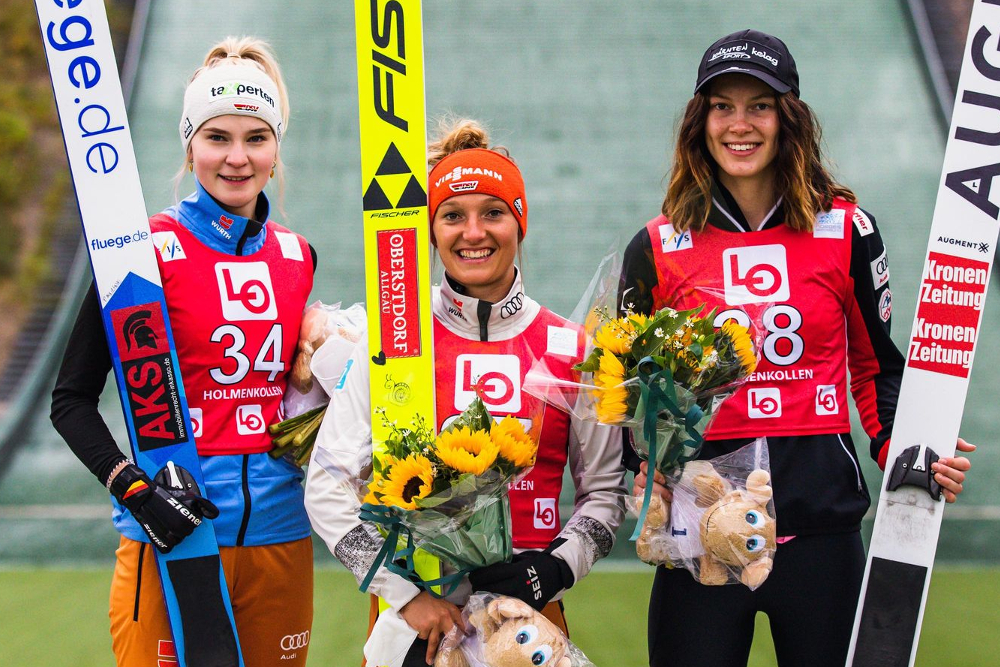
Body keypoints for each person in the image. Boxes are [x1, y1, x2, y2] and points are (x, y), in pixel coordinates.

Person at [621, 29, 976, 667]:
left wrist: (905, 445)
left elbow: (876, 368)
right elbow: (629, 396)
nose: (740, 124)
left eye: (759, 105)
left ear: (790, 118)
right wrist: (643, 462)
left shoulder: (847, 228)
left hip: (821, 538)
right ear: (700, 122)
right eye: (723, 106)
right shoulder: (656, 245)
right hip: (704, 537)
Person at [305, 119, 627, 666]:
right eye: (453, 215)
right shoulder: (397, 341)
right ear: (433, 232)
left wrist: (555, 568)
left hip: (529, 622)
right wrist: (405, 596)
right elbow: (327, 486)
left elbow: (605, 494)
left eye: (493, 213)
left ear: (519, 224)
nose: (473, 232)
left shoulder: (572, 348)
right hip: (416, 627)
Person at [50, 37, 317, 666]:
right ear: (189, 145)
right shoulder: (137, 254)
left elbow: (295, 392)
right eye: (217, 137)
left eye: (256, 138)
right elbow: (71, 401)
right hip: (172, 538)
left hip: (280, 542)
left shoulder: (297, 256)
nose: (237, 157)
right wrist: (134, 489)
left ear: (276, 149)